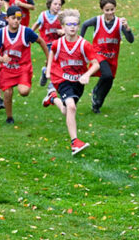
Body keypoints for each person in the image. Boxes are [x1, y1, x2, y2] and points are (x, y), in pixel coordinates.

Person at [42, 9, 100, 155]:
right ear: (63, 27)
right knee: (71, 107)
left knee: (66, 110)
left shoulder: (84, 45)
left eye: (75, 24)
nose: (72, 27)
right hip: (61, 79)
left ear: (78, 26)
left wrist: (87, 75)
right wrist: (48, 70)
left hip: (78, 81)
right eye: (69, 24)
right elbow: (52, 52)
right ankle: (75, 142)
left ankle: (52, 98)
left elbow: (96, 64)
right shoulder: (58, 44)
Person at [0, 6, 49, 124]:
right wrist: (1, 59)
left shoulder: (26, 32)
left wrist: (49, 58)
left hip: (23, 68)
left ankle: (21, 82)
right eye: (13, 18)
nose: (16, 21)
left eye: (18, 18)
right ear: (7, 18)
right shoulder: (2, 33)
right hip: (7, 69)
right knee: (7, 93)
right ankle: (9, 118)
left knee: (24, 92)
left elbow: (41, 41)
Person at [80, 0, 134, 113]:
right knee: (107, 75)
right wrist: (80, 40)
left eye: (112, 9)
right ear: (102, 10)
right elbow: (84, 25)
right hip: (98, 54)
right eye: (107, 10)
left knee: (109, 82)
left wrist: (127, 28)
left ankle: (97, 104)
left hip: (112, 57)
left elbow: (131, 40)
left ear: (115, 8)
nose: (110, 12)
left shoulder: (120, 23)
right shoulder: (97, 20)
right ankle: (96, 90)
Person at [32, 0, 65, 87]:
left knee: (54, 62)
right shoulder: (43, 15)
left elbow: (66, 27)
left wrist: (63, 31)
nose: (57, 6)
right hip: (46, 44)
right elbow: (36, 24)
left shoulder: (61, 16)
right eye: (55, 4)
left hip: (59, 44)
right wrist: (29, 34)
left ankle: (45, 72)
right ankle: (52, 85)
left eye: (59, 4)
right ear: (49, 4)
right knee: (54, 61)